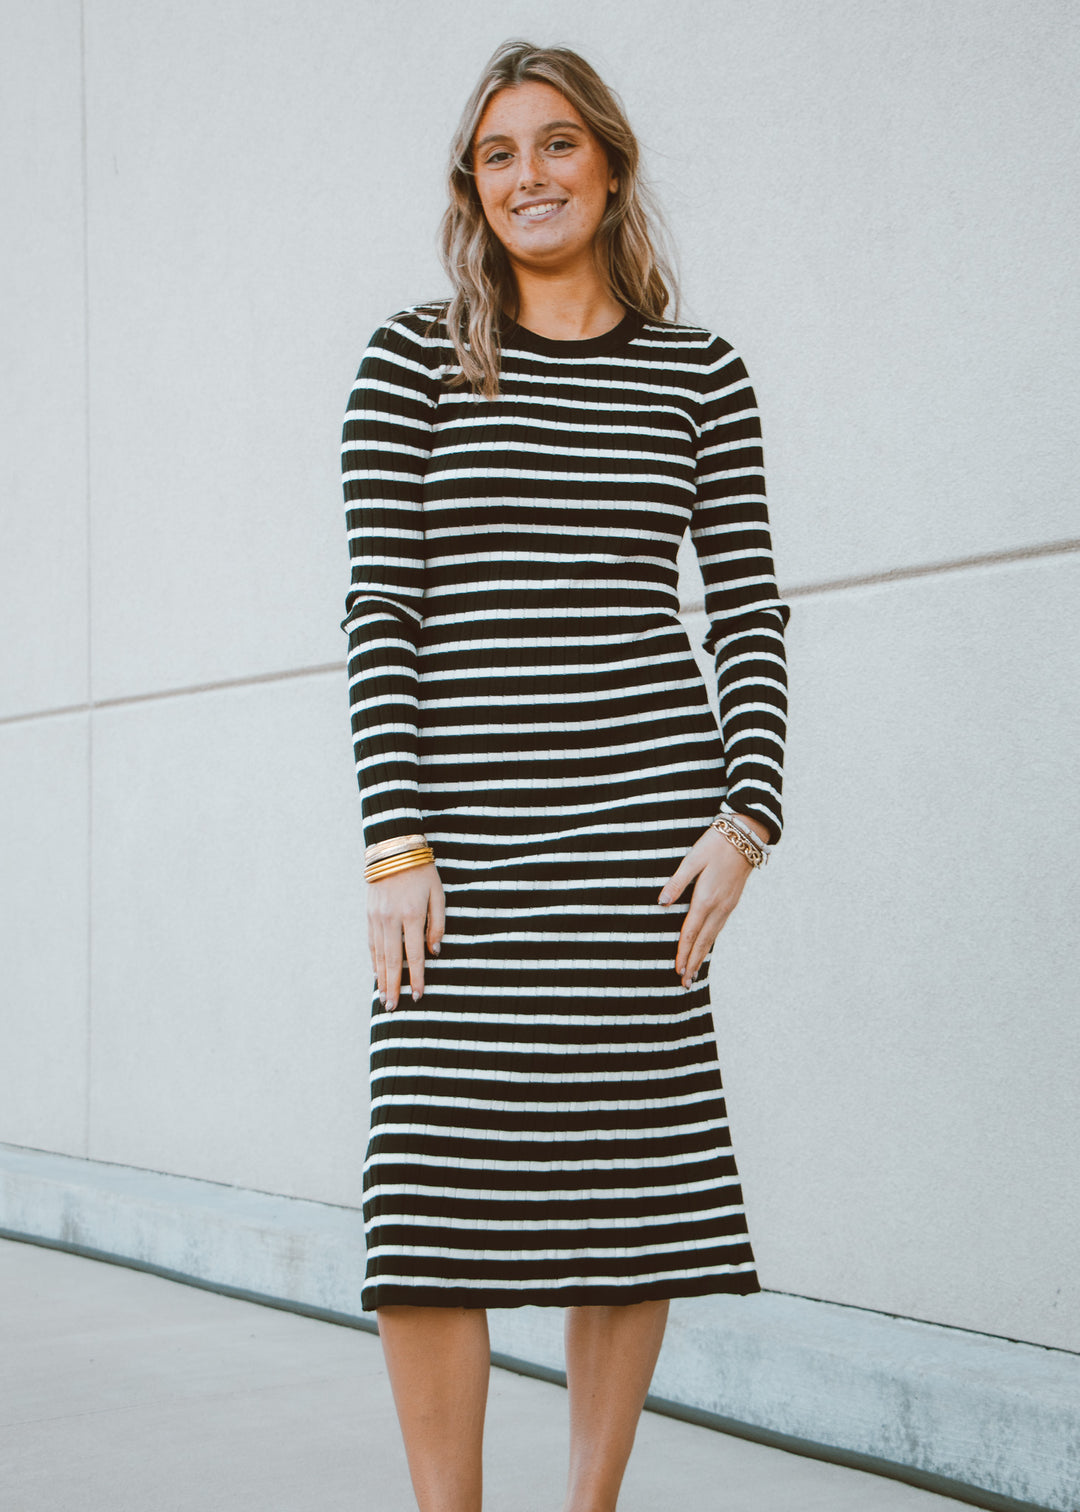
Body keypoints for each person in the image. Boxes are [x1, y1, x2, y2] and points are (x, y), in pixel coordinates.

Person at [339, 38, 789, 1512]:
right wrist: (395, 844)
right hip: (463, 842)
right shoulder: (413, 358)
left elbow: (746, 609)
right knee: (425, 1201)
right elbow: (380, 612)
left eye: (553, 144)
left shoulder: (698, 373)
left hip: (637, 843)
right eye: (496, 154)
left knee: (634, 1200)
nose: (527, 175)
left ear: (609, 161)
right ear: (473, 189)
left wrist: (748, 818)